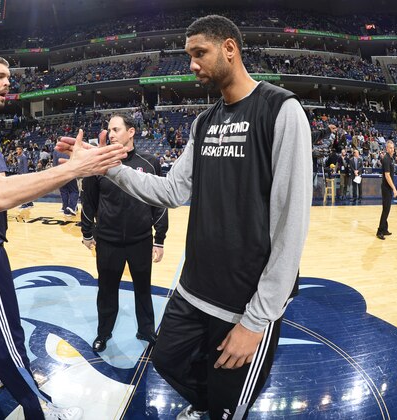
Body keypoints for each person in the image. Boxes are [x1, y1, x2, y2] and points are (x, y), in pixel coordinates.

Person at [58, 15, 311, 420]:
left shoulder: (281, 110)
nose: (191, 64)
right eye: (188, 55)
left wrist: (257, 319)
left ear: (230, 48)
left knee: (231, 408)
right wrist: (107, 168)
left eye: (199, 53)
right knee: (166, 361)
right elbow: (171, 190)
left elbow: (291, 225)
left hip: (243, 303)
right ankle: (207, 407)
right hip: (193, 289)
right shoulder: (204, 122)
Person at [0, 55, 126, 420]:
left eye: (9, 77)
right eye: (0, 76)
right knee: (8, 338)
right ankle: (38, 408)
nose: (7, 83)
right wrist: (75, 168)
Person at [80, 114, 168, 352]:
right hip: (108, 241)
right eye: (109, 130)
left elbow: (159, 203)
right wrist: (87, 232)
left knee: (143, 288)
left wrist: (159, 239)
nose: (111, 133)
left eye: (116, 129)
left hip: (141, 240)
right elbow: (88, 200)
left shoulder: (150, 163)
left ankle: (146, 330)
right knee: (106, 291)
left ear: (131, 132)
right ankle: (103, 333)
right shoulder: (99, 164)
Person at [376, 141, 397, 240]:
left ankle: (384, 228)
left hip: (388, 188)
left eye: (393, 148)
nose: (392, 149)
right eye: (390, 148)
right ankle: (379, 231)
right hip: (386, 188)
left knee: (387, 209)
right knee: (386, 209)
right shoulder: (386, 159)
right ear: (386, 148)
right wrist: (394, 188)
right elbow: (387, 176)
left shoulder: (390, 159)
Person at [53, 148, 79, 215]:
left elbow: (54, 164)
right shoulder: (71, 150)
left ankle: (65, 208)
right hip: (70, 172)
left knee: (64, 191)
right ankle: (72, 207)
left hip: (60, 173)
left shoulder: (56, 151)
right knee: (74, 191)